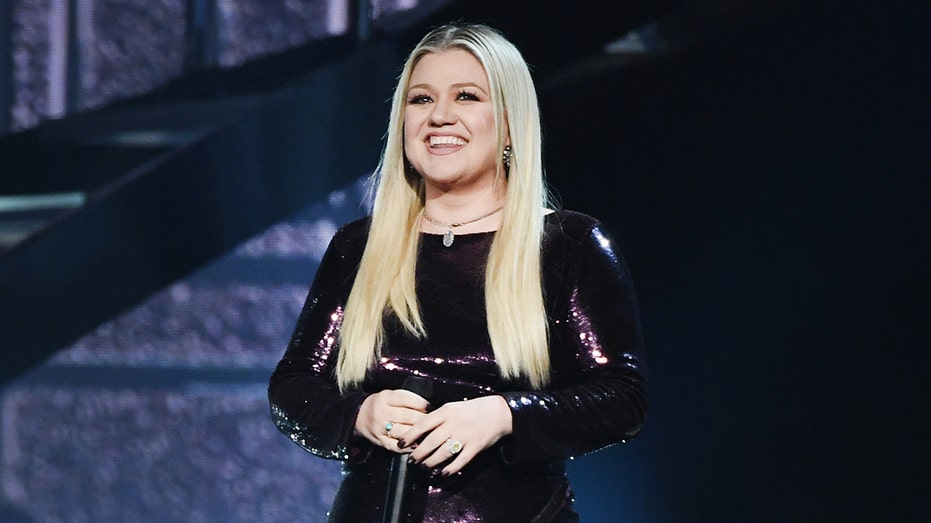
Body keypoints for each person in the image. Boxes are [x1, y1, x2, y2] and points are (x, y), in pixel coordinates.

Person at [269, 23, 647, 522]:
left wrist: (505, 415)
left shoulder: (568, 245)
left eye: (466, 96)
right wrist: (359, 416)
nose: (439, 116)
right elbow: (293, 386)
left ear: (510, 125)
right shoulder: (357, 249)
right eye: (420, 100)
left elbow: (622, 397)